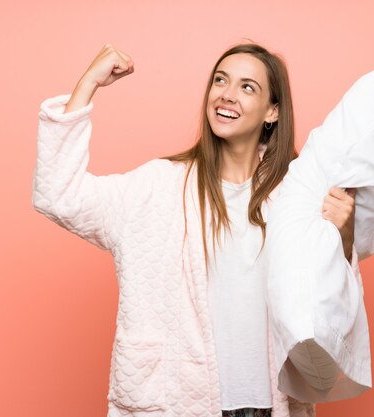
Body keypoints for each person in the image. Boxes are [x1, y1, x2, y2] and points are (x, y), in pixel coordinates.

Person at [32, 43, 357, 417]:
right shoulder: (157, 186)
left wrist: (343, 240)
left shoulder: (297, 196)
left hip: (273, 404)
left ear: (273, 110)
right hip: (176, 402)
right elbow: (58, 195)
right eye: (221, 80)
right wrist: (88, 84)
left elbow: (328, 305)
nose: (227, 94)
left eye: (247, 87)